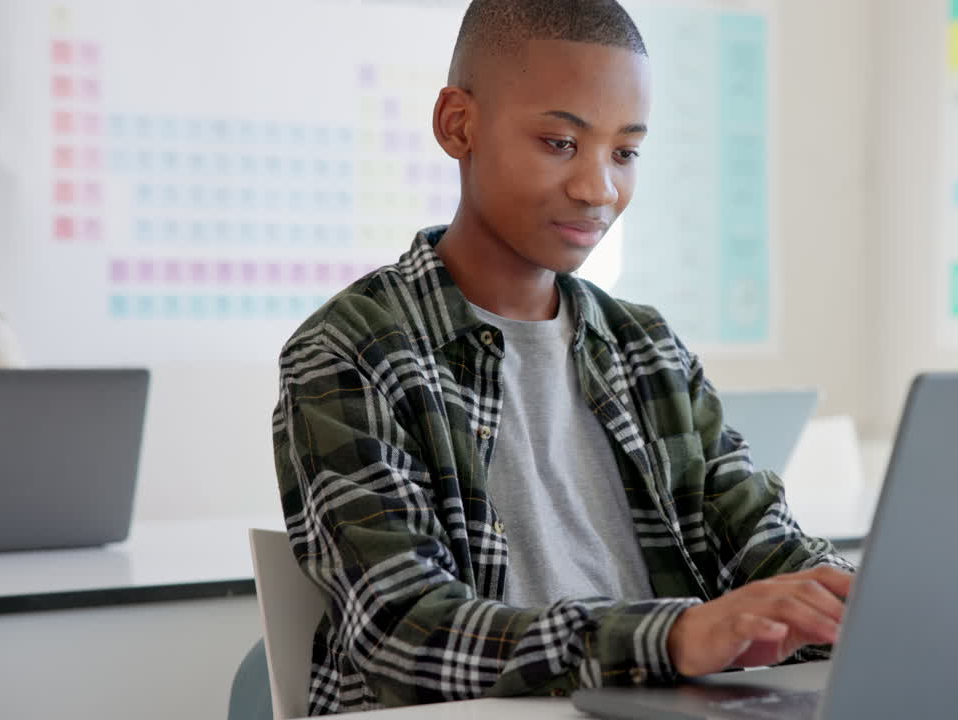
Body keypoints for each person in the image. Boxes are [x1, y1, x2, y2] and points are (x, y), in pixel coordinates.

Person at [270, 0, 855, 713]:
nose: (598, 188)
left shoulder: (648, 349)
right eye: (559, 142)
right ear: (458, 124)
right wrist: (672, 637)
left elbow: (766, 547)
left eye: (625, 153)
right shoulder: (352, 349)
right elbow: (406, 633)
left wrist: (855, 602)